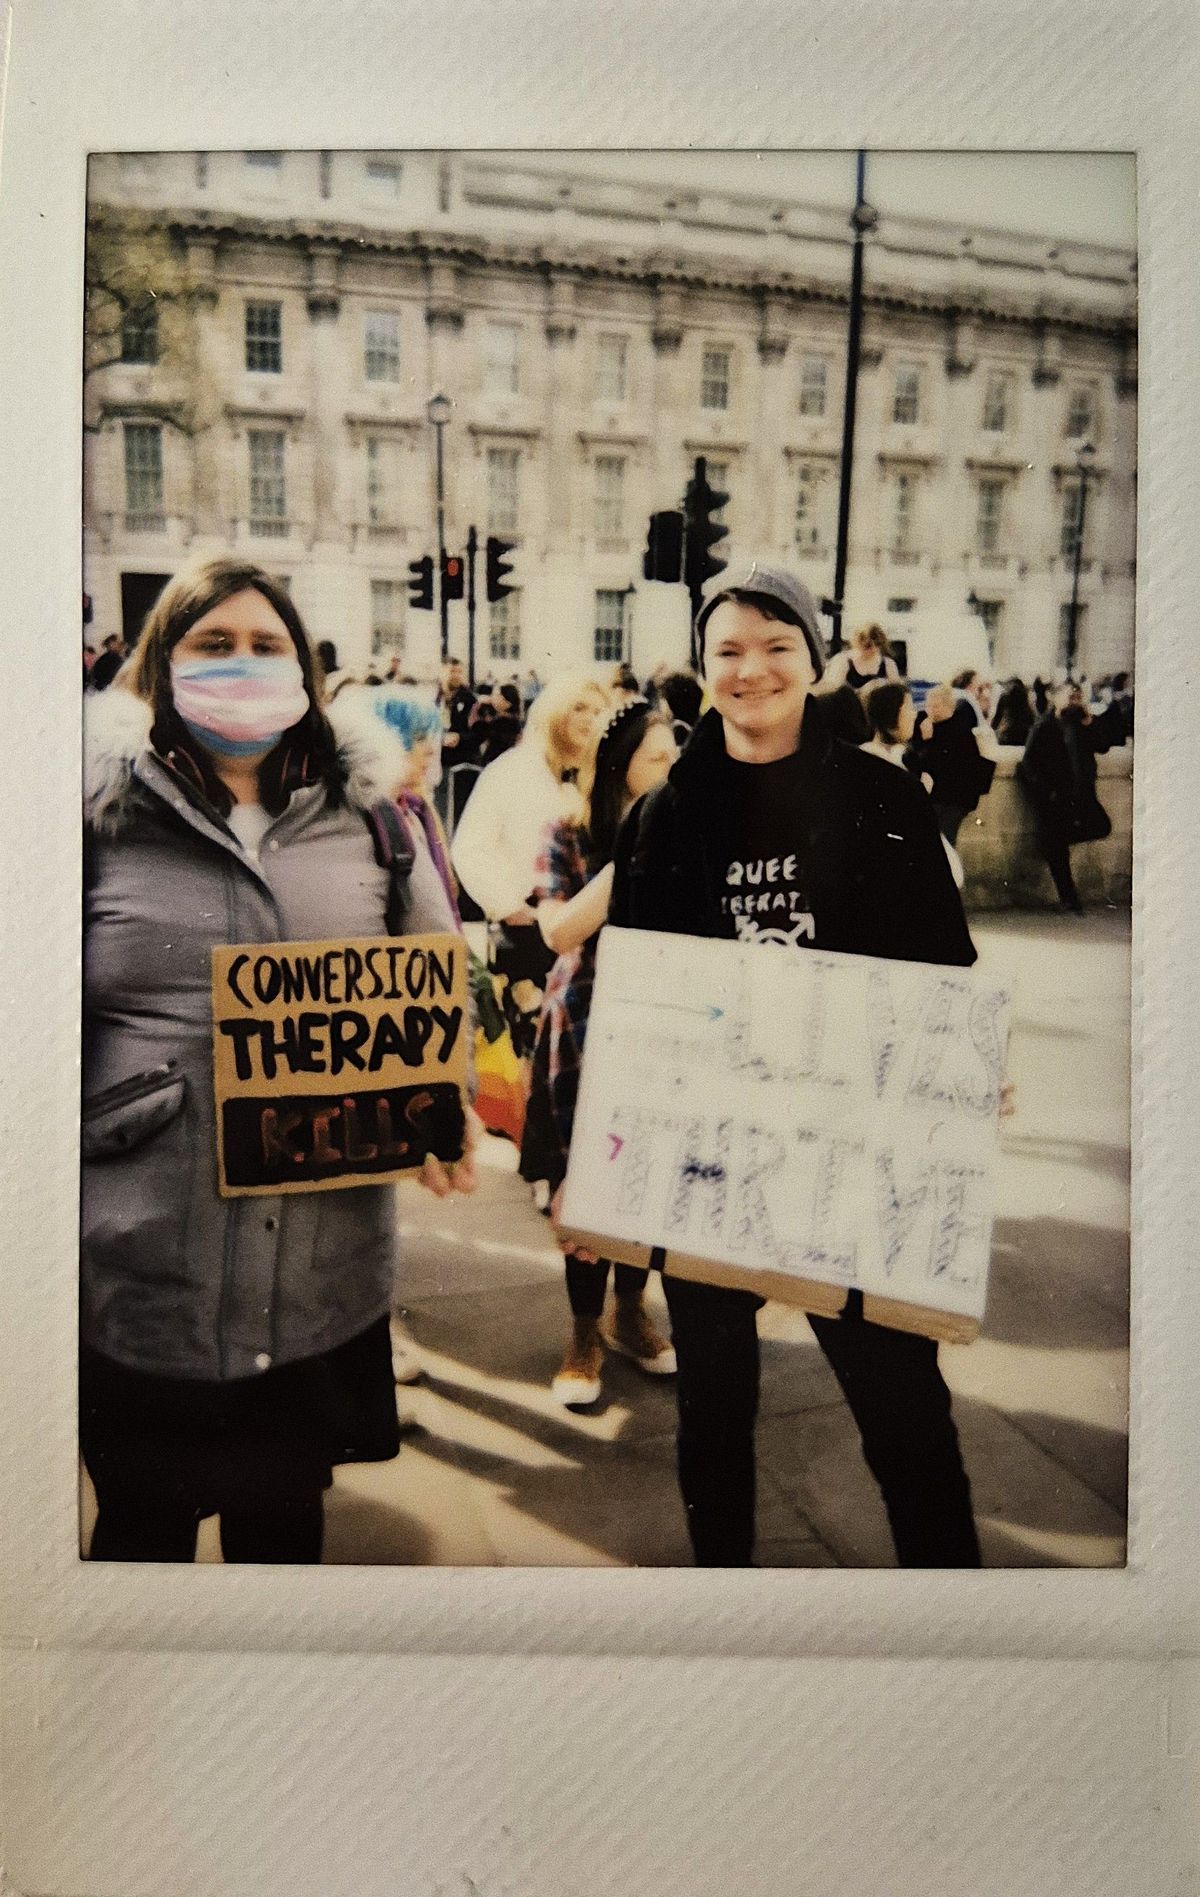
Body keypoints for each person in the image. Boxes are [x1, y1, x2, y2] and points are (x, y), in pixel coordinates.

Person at [82, 557, 478, 1563]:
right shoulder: (89, 820)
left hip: (315, 1280)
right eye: (214, 644)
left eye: (267, 645)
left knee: (283, 1534)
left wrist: (442, 1105)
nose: (244, 664)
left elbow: (432, 982)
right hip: (142, 1272)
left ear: (305, 668)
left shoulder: (378, 822)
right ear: (161, 663)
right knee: (141, 1538)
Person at [602, 558, 984, 1568]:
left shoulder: (880, 796)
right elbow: (634, 998)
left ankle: (958, 1626)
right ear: (703, 669)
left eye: (777, 647)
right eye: (727, 650)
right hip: (711, 1165)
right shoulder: (664, 815)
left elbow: (944, 972)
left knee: (907, 1420)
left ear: (815, 662)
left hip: (852, 1166)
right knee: (714, 1417)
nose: (752, 669)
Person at [522, 701, 679, 1405]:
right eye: (659, 757)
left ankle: (629, 1311)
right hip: (584, 1025)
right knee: (583, 1180)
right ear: (620, 769)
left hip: (661, 1027)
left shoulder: (691, 832)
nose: (673, 767)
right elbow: (555, 929)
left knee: (644, 1180)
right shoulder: (570, 830)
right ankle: (584, 1330)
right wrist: (633, 855)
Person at [451, 672, 609, 1061]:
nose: (590, 719)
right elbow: (470, 848)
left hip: (579, 934)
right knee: (532, 1053)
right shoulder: (511, 771)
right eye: (578, 708)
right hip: (526, 936)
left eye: (598, 710)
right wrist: (510, 906)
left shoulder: (593, 777)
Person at [1017, 682, 1115, 914]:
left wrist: (1090, 722)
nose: (1074, 700)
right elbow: (1026, 765)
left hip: (1081, 796)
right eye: (1069, 696)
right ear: (1055, 698)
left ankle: (1049, 844)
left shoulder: (1080, 724)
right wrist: (1046, 794)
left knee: (1101, 826)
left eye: (1077, 697)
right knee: (1059, 851)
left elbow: (1103, 745)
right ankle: (1070, 900)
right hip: (1056, 799)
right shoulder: (1044, 726)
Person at [860, 677, 964, 889]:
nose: (915, 713)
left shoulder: (898, 756)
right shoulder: (873, 762)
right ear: (892, 714)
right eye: (907, 707)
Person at [907, 682, 995, 847]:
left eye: (936, 706)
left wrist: (928, 743)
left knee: (943, 839)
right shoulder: (923, 724)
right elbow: (913, 761)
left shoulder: (958, 729)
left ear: (949, 706)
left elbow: (941, 766)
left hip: (953, 797)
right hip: (936, 795)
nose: (931, 710)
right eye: (929, 705)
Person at [822, 621, 898, 692]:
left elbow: (897, 694)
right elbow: (832, 692)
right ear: (858, 642)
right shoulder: (842, 661)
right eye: (868, 646)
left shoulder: (889, 664)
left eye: (878, 644)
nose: (874, 649)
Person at [992, 676, 1034, 748]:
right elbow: (1031, 719)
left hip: (1008, 735)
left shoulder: (1004, 697)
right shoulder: (1024, 699)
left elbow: (996, 721)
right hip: (1025, 736)